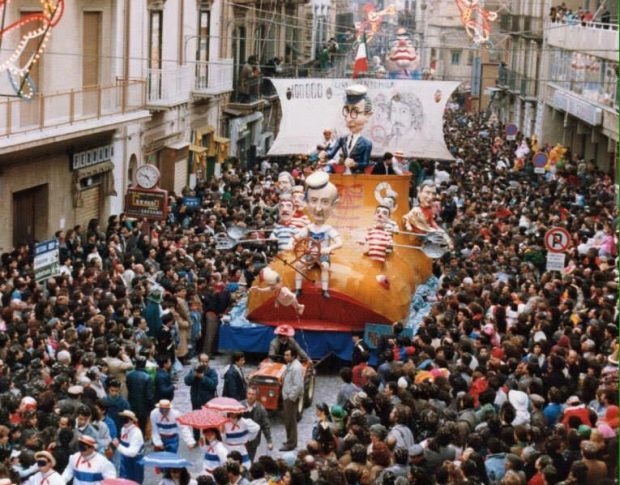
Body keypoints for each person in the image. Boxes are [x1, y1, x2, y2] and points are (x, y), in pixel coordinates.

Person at [288, 171, 343, 298]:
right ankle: (298, 289)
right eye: (313, 200)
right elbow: (296, 238)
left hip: (322, 256)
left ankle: (324, 290)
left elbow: (340, 243)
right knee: (298, 265)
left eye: (324, 202)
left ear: (333, 205)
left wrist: (329, 248)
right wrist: (290, 243)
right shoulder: (308, 228)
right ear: (307, 202)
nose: (318, 209)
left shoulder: (328, 229)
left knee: (324, 266)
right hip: (310, 255)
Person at [319, 85, 373, 174]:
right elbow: (331, 153)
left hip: (358, 177)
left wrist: (354, 164)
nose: (348, 119)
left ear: (367, 115)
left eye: (356, 112)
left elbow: (365, 162)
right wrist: (325, 155)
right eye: (347, 111)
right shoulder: (342, 139)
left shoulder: (366, 144)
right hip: (344, 175)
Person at [279, 347, 304, 451]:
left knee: (290, 421)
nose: (285, 357)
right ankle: (290, 440)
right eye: (285, 355)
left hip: (290, 398)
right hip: (287, 396)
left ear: (293, 356)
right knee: (288, 420)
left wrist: (291, 398)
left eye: (287, 355)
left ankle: (291, 443)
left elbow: (298, 386)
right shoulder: (290, 365)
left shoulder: (296, 368)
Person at [242, 386, 273, 462]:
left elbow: (266, 425)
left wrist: (269, 441)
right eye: (249, 394)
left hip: (253, 441)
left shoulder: (261, 409)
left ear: (256, 396)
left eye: (253, 394)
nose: (250, 396)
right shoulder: (240, 406)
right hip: (241, 439)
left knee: (250, 461)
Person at [125, 355, 155, 435]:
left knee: (133, 424)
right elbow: (149, 396)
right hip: (143, 406)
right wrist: (152, 406)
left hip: (132, 404)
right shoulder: (147, 377)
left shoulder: (129, 376)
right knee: (142, 426)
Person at [113, 410, 144, 484]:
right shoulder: (123, 429)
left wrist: (118, 446)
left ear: (131, 420)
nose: (122, 420)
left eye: (125, 419)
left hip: (135, 461)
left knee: (134, 482)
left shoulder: (136, 433)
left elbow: (132, 453)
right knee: (123, 481)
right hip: (124, 460)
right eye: (122, 418)